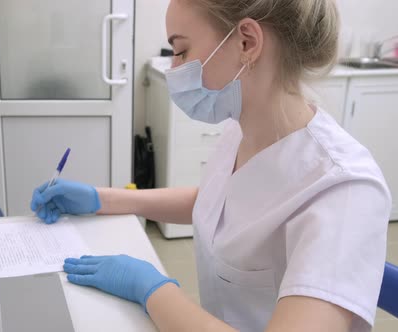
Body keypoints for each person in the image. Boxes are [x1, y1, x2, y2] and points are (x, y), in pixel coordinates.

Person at [30, 0, 392, 331]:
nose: (174, 68)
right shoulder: (243, 129)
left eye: (181, 50)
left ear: (247, 42)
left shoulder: (344, 190)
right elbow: (217, 204)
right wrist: (100, 199)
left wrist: (152, 290)